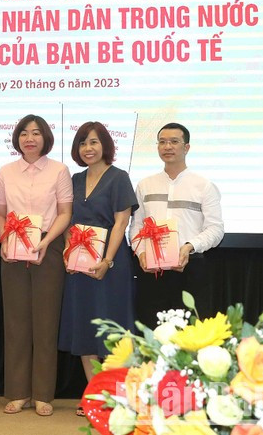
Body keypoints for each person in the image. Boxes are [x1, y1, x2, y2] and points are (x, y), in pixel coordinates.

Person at [0, 115, 73, 417]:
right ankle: (17, 392)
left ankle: (42, 394)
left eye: (36, 133)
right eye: (24, 133)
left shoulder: (59, 170)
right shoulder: (5, 172)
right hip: (13, 248)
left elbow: (65, 212)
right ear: (16, 138)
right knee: (15, 322)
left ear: (45, 138)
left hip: (47, 246)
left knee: (45, 322)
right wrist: (5, 240)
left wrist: (46, 241)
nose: (29, 138)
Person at [58, 121, 137, 413]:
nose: (87, 148)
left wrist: (107, 260)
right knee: (84, 326)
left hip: (110, 264)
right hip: (79, 261)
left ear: (105, 144)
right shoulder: (75, 180)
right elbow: (67, 219)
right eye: (82, 143)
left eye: (93, 142)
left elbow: (121, 222)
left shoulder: (119, 178)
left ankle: (117, 395)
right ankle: (95, 393)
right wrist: (68, 252)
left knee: (112, 327)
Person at [130, 123, 224, 327]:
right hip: (152, 272)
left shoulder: (203, 186)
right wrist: (141, 254)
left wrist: (189, 246)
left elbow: (216, 229)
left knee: (191, 333)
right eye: (162, 142)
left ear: (187, 147)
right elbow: (135, 227)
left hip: (190, 269)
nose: (167, 146)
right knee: (151, 333)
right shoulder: (145, 184)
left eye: (174, 141)